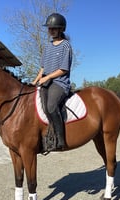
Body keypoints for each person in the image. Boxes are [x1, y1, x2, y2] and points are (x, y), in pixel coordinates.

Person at [32, 13, 73, 150]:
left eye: (53, 28)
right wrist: (36, 80)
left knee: (51, 106)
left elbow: (64, 69)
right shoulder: (47, 46)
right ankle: (46, 135)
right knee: (39, 105)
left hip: (60, 83)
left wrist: (48, 77)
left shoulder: (65, 45)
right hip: (46, 82)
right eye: (49, 28)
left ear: (61, 29)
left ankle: (60, 140)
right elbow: (43, 67)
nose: (50, 31)